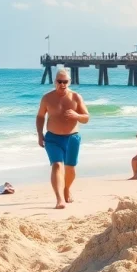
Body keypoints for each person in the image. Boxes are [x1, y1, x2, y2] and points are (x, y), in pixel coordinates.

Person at [36, 68, 90, 209]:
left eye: (65, 81)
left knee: (70, 168)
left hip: (72, 138)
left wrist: (77, 116)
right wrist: (40, 134)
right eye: (59, 81)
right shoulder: (47, 98)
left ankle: (67, 189)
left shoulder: (76, 97)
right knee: (57, 165)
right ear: (55, 82)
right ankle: (59, 199)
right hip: (53, 138)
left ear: (69, 82)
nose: (62, 84)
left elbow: (86, 118)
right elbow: (40, 116)